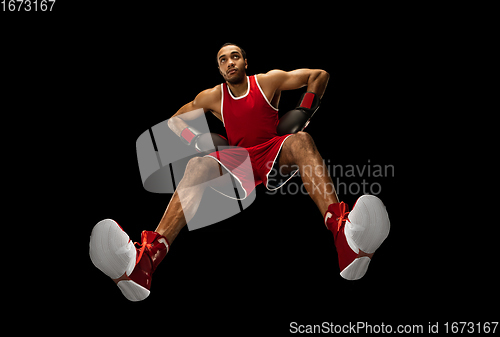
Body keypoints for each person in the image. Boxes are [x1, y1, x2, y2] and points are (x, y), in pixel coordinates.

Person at [89, 43, 390, 301]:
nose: (229, 62)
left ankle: (345, 236)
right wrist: (195, 139)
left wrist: (304, 111)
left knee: (301, 140)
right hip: (239, 163)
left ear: (245, 62)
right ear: (219, 69)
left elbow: (318, 76)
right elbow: (175, 120)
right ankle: (146, 262)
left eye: (234, 56)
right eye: (222, 59)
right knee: (197, 164)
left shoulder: (268, 81)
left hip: (273, 152)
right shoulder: (212, 96)